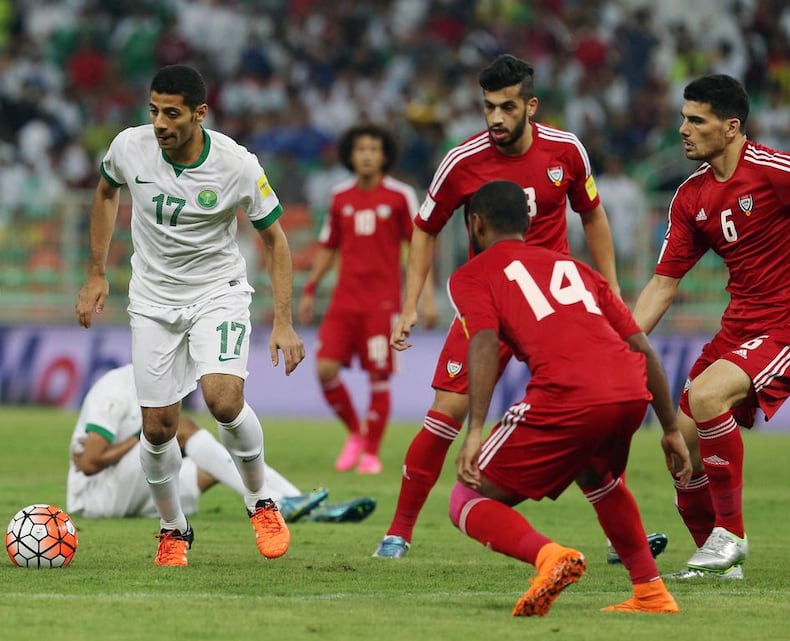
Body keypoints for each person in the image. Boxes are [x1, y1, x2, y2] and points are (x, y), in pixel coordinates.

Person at [374, 53, 659, 558]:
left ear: (531, 106)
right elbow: (425, 229)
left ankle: (623, 543)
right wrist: (410, 304)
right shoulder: (462, 162)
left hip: (556, 307)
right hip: (492, 300)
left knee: (592, 411)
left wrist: (610, 290)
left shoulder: (566, 151)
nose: (496, 119)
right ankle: (398, 532)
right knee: (447, 410)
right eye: (488, 107)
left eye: (507, 107)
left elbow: (592, 216)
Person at [75, 64, 305, 566]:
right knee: (158, 427)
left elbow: (275, 240)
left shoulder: (237, 165)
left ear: (199, 113)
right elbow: (106, 191)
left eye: (172, 113)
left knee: (223, 399)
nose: (159, 123)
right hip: (152, 301)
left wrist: (283, 320)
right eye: (154, 110)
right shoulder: (128, 147)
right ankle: (173, 528)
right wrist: (96, 271)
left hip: (216, 293)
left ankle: (260, 499)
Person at [447, 180, 691, 616]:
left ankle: (549, 557)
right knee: (598, 476)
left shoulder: (473, 274)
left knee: (466, 496)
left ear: (475, 224)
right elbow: (641, 346)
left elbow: (483, 343)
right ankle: (651, 592)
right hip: (629, 391)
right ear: (529, 222)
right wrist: (670, 428)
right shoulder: (577, 269)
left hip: (568, 395)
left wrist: (475, 431)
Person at [632, 73, 790, 579]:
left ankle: (731, 537)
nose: (683, 129)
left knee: (705, 398)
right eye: (683, 118)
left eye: (695, 120)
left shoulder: (776, 171)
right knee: (681, 447)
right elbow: (663, 284)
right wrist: (618, 343)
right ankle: (716, 562)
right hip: (740, 329)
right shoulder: (690, 198)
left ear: (730, 127)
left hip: (789, 326)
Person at [67, 364, 377, 524]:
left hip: (131, 488)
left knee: (223, 460)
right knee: (184, 429)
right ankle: (279, 503)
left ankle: (307, 507)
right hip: (96, 497)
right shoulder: (113, 391)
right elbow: (90, 462)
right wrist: (139, 438)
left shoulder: (155, 386)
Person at [297, 124, 437, 475]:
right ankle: (357, 434)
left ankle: (371, 452)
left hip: (382, 305)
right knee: (325, 369)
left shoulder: (399, 195)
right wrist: (311, 289)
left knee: (378, 376)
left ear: (385, 155)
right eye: (361, 149)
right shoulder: (339, 196)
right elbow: (329, 247)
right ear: (350, 155)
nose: (367, 155)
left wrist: (427, 299)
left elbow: (418, 248)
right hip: (344, 302)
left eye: (374, 149)